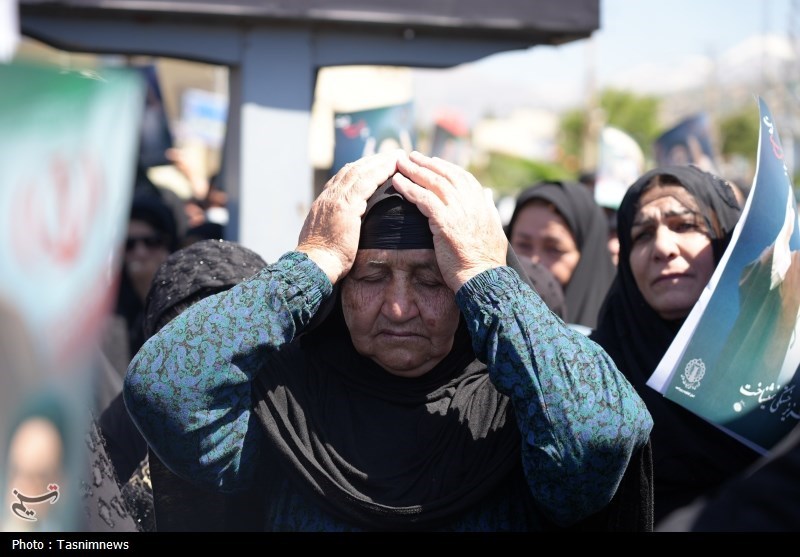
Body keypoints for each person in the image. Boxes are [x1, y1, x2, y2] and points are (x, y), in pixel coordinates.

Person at [124, 150, 653, 531]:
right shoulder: (287, 407)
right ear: (338, 289)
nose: (399, 308)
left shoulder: (521, 406)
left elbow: (597, 437)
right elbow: (164, 388)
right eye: (371, 277)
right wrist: (313, 261)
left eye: (432, 281)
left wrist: (485, 273)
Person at [589, 164, 761, 526]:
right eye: (642, 235)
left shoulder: (783, 362)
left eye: (684, 225)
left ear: (727, 240)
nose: (662, 248)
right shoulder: (590, 374)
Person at [98, 239, 268, 530]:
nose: (207, 376)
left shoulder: (299, 415)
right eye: (186, 357)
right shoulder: (122, 428)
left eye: (228, 344)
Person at [505, 180, 616, 330]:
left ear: (587, 256)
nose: (534, 261)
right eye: (523, 245)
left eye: (554, 249)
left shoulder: (614, 336)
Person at [101, 191, 179, 380]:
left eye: (152, 242)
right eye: (130, 245)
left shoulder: (191, 300)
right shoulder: (110, 311)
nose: (140, 253)